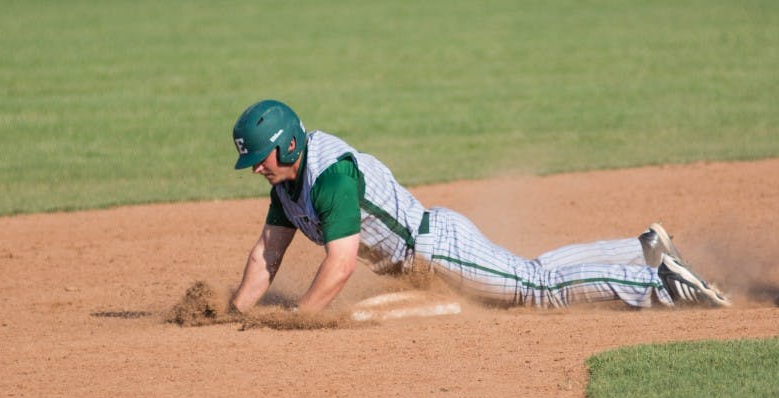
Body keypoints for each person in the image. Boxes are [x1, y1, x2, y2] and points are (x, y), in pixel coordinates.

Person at [227, 99, 731, 314]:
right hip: (433, 247)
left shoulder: (330, 176)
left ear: (288, 145)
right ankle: (638, 251)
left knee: (537, 290)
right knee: (535, 272)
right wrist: (236, 311)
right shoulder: (285, 188)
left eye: (258, 156)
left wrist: (302, 318)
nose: (255, 167)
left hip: (436, 250)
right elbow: (265, 255)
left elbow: (338, 266)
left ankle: (660, 287)